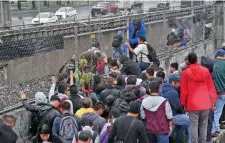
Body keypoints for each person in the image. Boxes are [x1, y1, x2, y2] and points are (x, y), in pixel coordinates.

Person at [180, 52, 217, 143]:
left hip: (192, 103)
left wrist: (184, 103)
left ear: (188, 61)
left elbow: (184, 90)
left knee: (194, 125)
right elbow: (211, 87)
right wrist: (213, 101)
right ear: (197, 59)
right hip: (205, 101)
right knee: (204, 124)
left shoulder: (185, 73)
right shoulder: (205, 71)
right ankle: (203, 141)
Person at [212, 49, 225, 137]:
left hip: (214, 92)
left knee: (214, 111)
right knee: (218, 112)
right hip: (223, 92)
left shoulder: (212, 64)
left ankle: (215, 128)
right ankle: (215, 129)